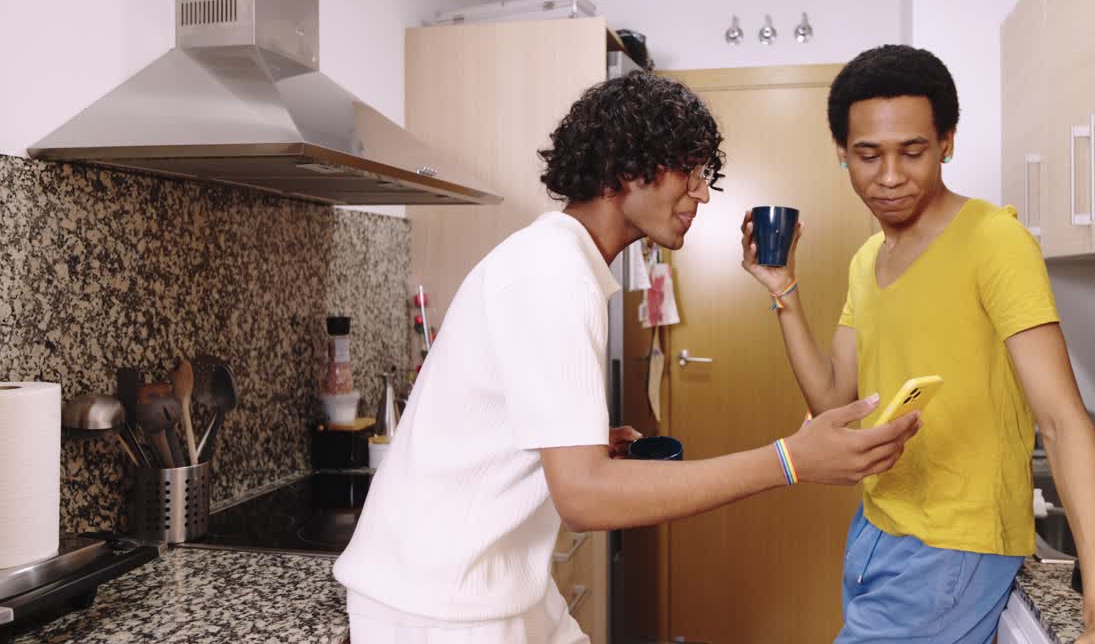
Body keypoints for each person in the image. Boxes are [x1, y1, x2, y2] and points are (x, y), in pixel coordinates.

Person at [334, 71, 922, 644]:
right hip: (439, 607)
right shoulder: (553, 274)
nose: (700, 192)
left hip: (496, 583)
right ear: (623, 168)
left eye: (703, 174)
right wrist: (789, 460)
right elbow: (586, 497)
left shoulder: (563, 263)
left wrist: (578, 440)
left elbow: (532, 437)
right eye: (687, 171)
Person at [739, 45, 1095, 644]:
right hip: (877, 532)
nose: (890, 176)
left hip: (953, 552)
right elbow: (830, 399)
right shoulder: (867, 259)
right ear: (842, 154)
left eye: (913, 151)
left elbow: (1061, 420)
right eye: (867, 155)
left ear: (947, 142)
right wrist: (784, 291)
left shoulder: (993, 241)